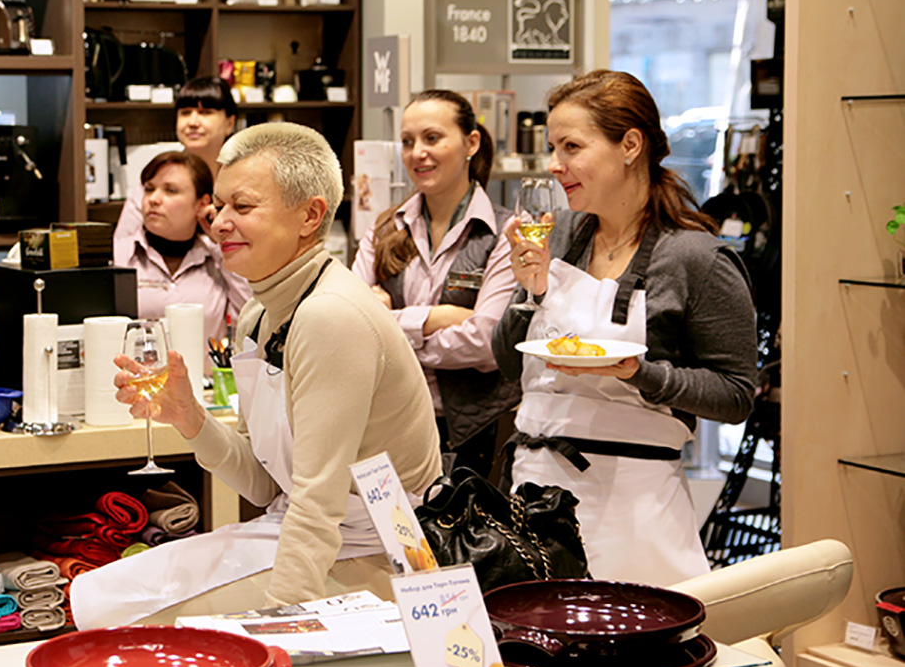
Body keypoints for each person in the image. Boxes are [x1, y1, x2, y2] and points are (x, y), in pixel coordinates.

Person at [71, 122, 442, 628]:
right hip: (298, 531)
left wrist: (284, 631)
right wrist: (191, 419)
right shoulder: (259, 314)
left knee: (129, 620)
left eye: (242, 208)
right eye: (219, 206)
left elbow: (316, 505)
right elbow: (267, 487)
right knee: (94, 593)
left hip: (380, 559)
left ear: (310, 215)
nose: (220, 222)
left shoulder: (330, 314)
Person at [491, 70, 757, 587]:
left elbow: (736, 394)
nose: (553, 164)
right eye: (552, 147)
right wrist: (531, 294)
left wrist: (639, 372)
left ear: (630, 145)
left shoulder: (697, 259)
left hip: (635, 514)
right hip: (533, 498)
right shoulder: (559, 234)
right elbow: (506, 363)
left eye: (571, 146)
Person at [353, 90, 520, 479]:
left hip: (476, 435)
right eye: (408, 141)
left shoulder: (505, 232)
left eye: (432, 138)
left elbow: (487, 343)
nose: (417, 153)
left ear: (471, 143)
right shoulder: (384, 227)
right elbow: (353, 328)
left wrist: (391, 322)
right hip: (391, 428)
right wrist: (436, 318)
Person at [112, 150, 249, 344]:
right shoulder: (119, 254)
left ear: (202, 204)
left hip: (203, 374)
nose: (154, 199)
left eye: (171, 191)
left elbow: (250, 314)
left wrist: (222, 245)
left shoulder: (217, 260)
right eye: (149, 189)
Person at [115, 76, 238, 240]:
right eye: (185, 113)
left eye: (205, 113)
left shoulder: (243, 177)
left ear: (230, 123)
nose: (193, 122)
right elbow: (124, 238)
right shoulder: (159, 171)